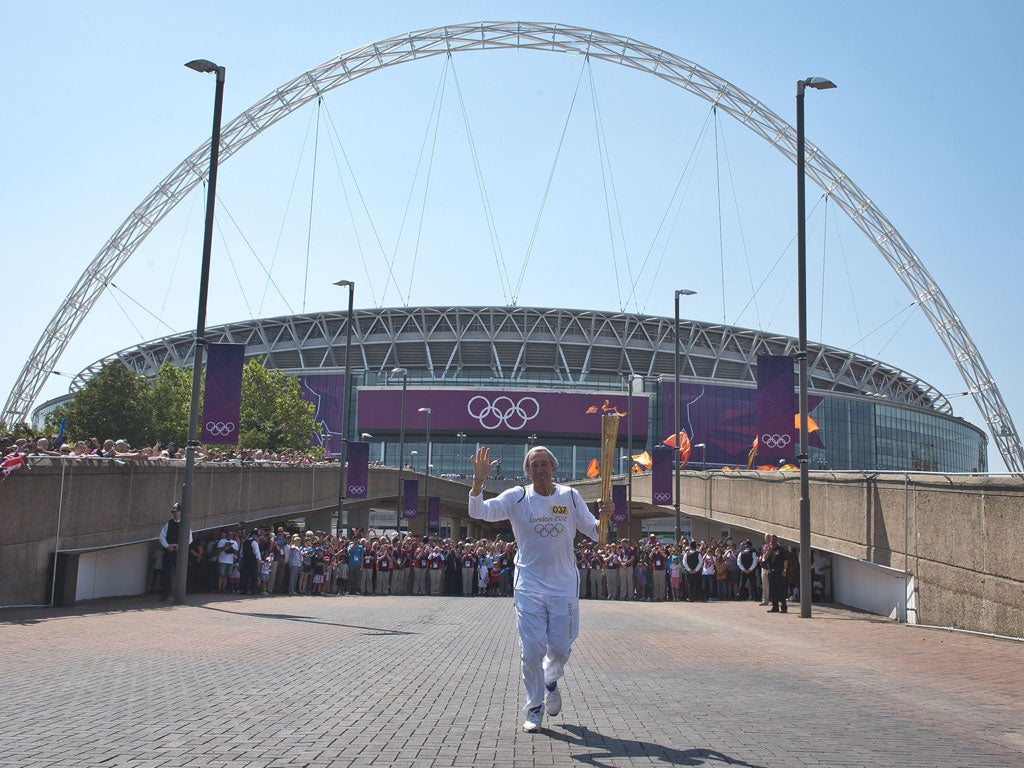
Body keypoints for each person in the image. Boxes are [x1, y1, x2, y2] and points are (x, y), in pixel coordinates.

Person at [468, 445, 611, 734]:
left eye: (544, 464)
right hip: (529, 584)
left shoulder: (570, 496)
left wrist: (607, 517)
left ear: (553, 468)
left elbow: (597, 534)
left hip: (563, 586)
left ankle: (550, 682)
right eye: (534, 465)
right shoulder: (517, 497)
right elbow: (479, 511)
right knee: (531, 651)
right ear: (527, 470)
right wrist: (478, 482)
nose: (539, 469)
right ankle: (535, 707)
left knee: (559, 648)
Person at [157, 502, 192, 601]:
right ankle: (164, 594)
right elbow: (161, 536)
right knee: (166, 573)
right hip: (169, 551)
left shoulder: (185, 524)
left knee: (180, 573)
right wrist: (167, 546)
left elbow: (189, 538)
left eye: (176, 512)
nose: (175, 514)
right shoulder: (168, 523)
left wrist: (180, 546)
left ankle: (180, 594)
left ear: (180, 512)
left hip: (179, 553)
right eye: (173, 512)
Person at [765, 534, 789, 613]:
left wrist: (785, 570)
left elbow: (786, 560)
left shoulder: (781, 549)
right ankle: (775, 607)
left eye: (774, 540)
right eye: (771, 540)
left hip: (779, 572)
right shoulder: (770, 550)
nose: (773, 542)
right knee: (772, 590)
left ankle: (784, 607)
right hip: (771, 572)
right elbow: (764, 558)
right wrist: (768, 550)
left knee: (781, 590)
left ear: (777, 541)